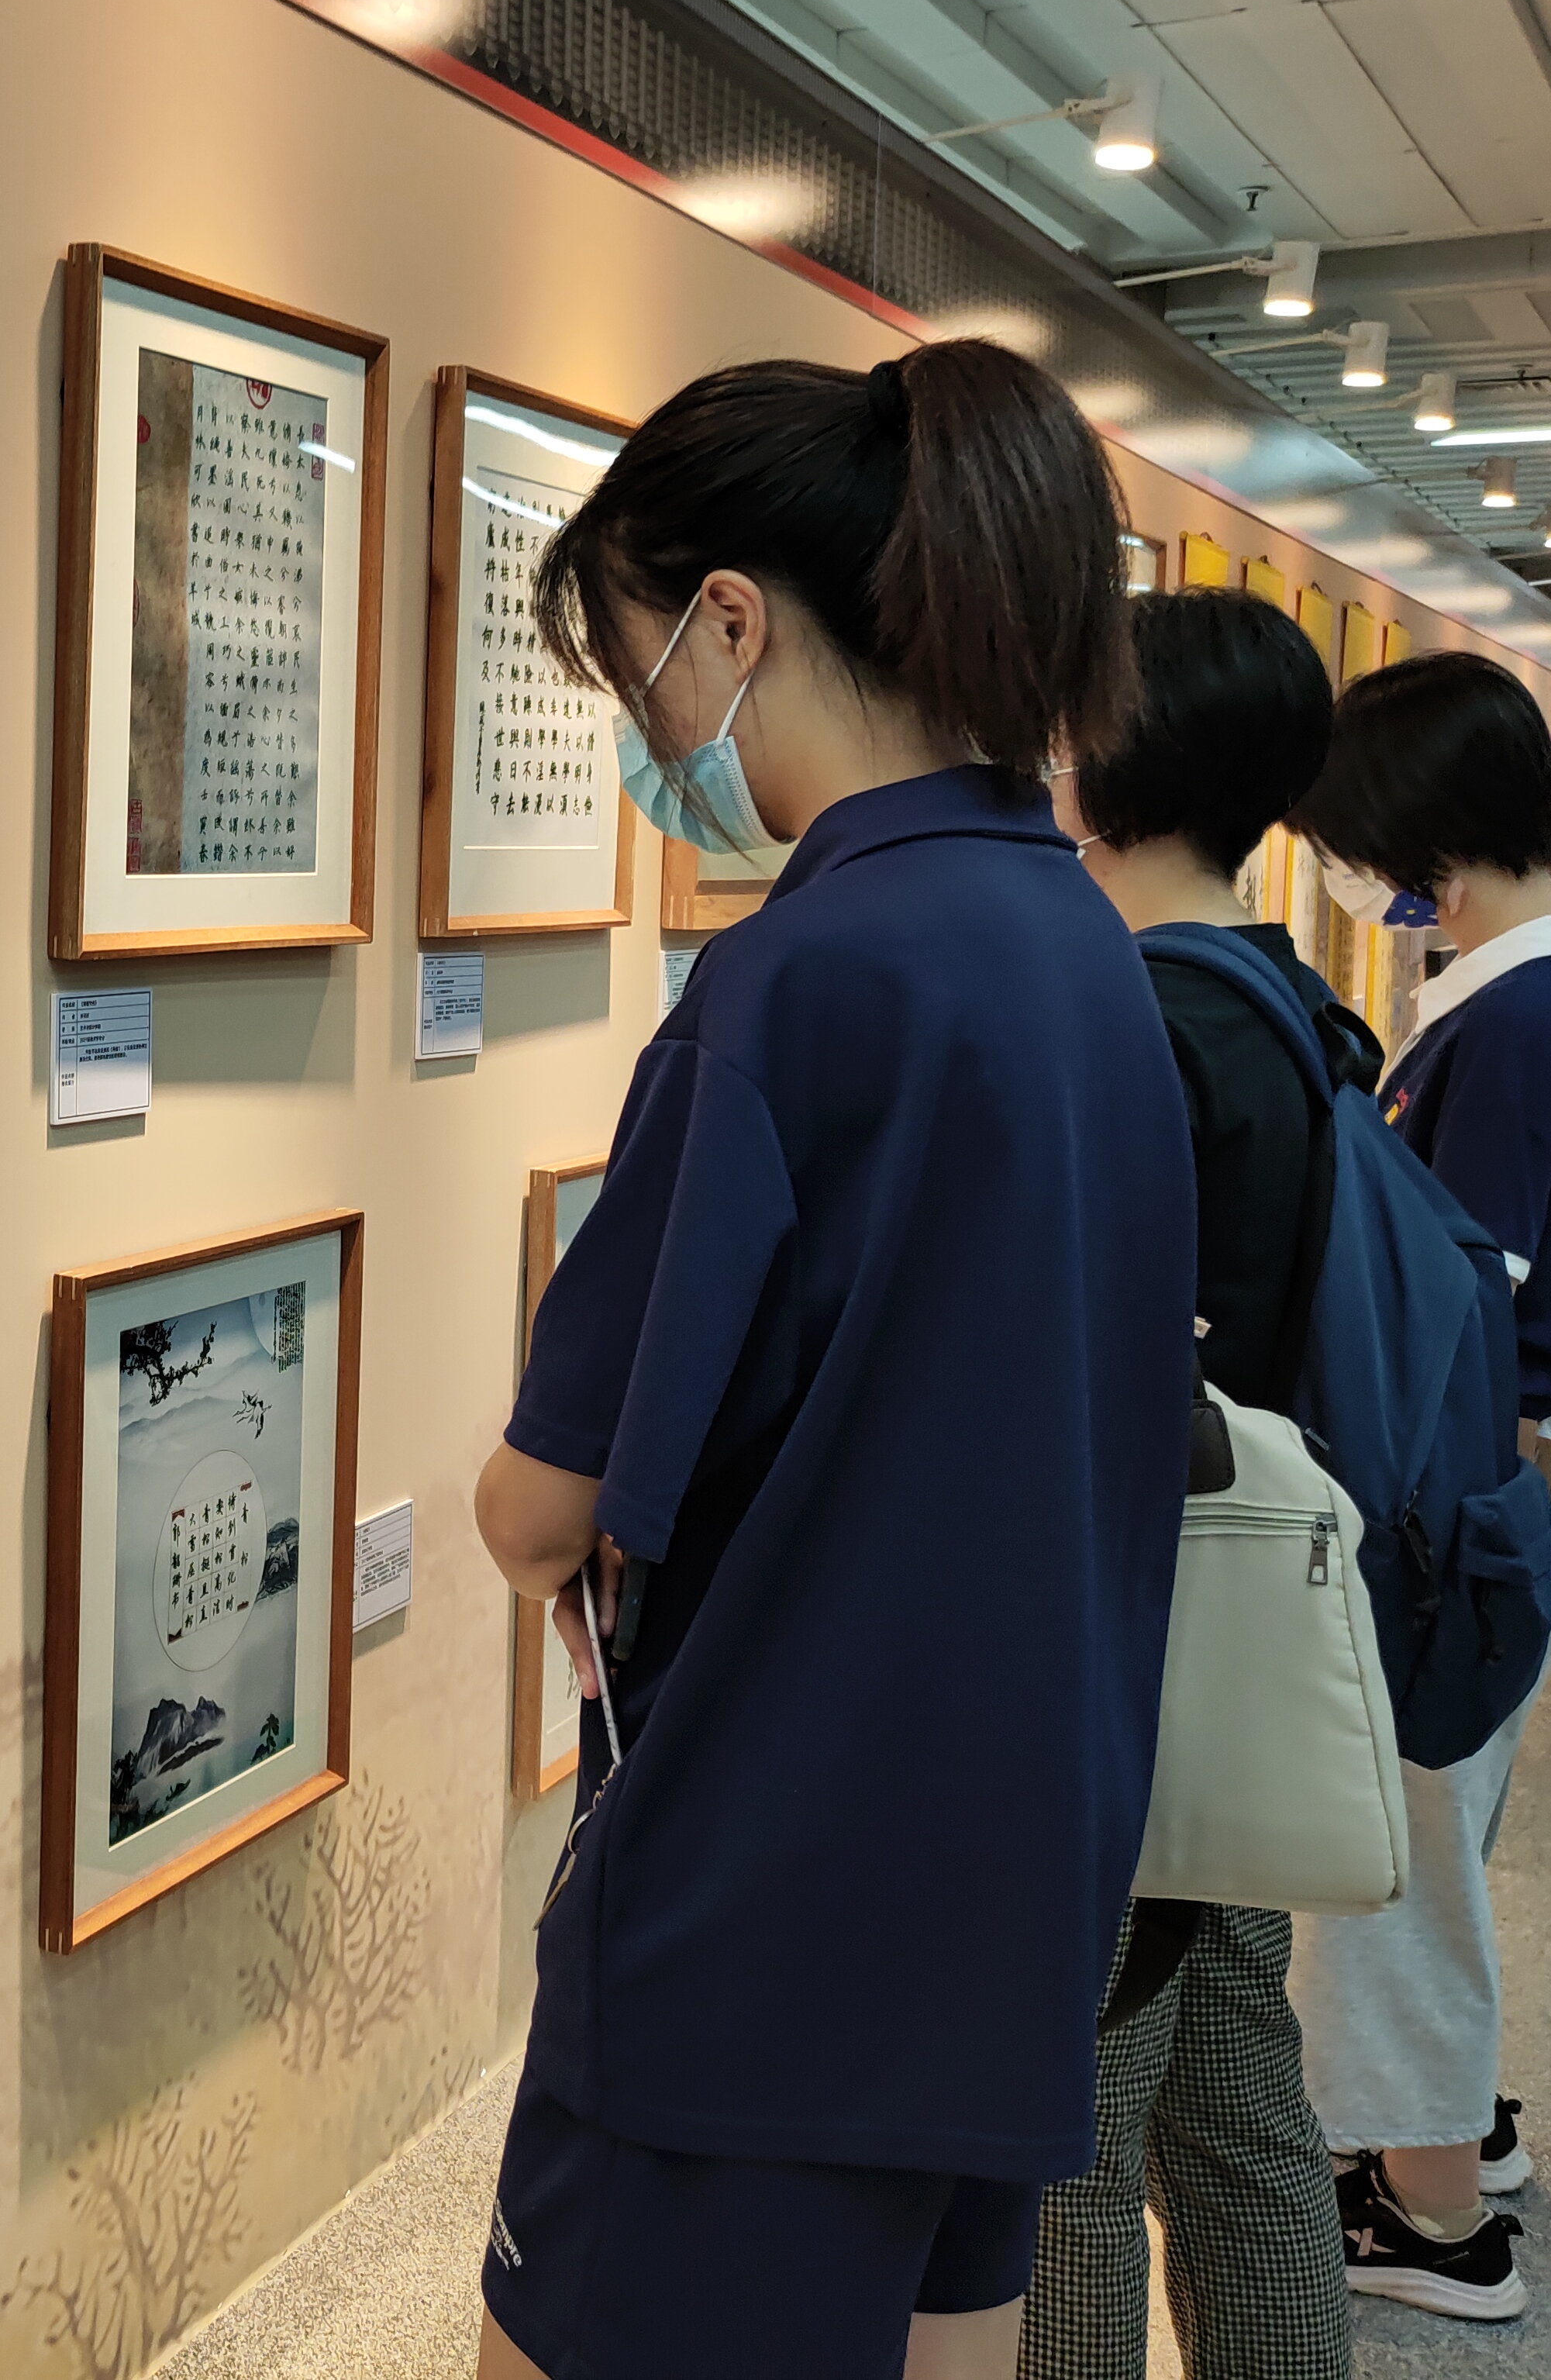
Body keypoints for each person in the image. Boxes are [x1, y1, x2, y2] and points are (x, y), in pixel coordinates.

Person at [470, 340, 1191, 2380]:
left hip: (764, 1908)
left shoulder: (793, 984)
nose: (649, 738)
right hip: (1009, 1884)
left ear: (730, 623)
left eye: (634, 675)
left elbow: (541, 1504)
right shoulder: (1082, 952)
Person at [1029, 588, 1367, 2380]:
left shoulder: (1127, 1020)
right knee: (1234, 2107)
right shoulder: (1278, 997)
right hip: (1235, 1624)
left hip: (1124, 1637)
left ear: (1107, 751)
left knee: (1063, 2140)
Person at [1282, 653, 1551, 2324]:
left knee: (1400, 1862)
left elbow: (1445, 1304)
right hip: (1515, 1473)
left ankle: (1432, 2218)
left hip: (1459, 1498)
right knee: (1437, 1832)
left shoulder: (1508, 1022)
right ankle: (1455, 2128)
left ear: (1418, 835)